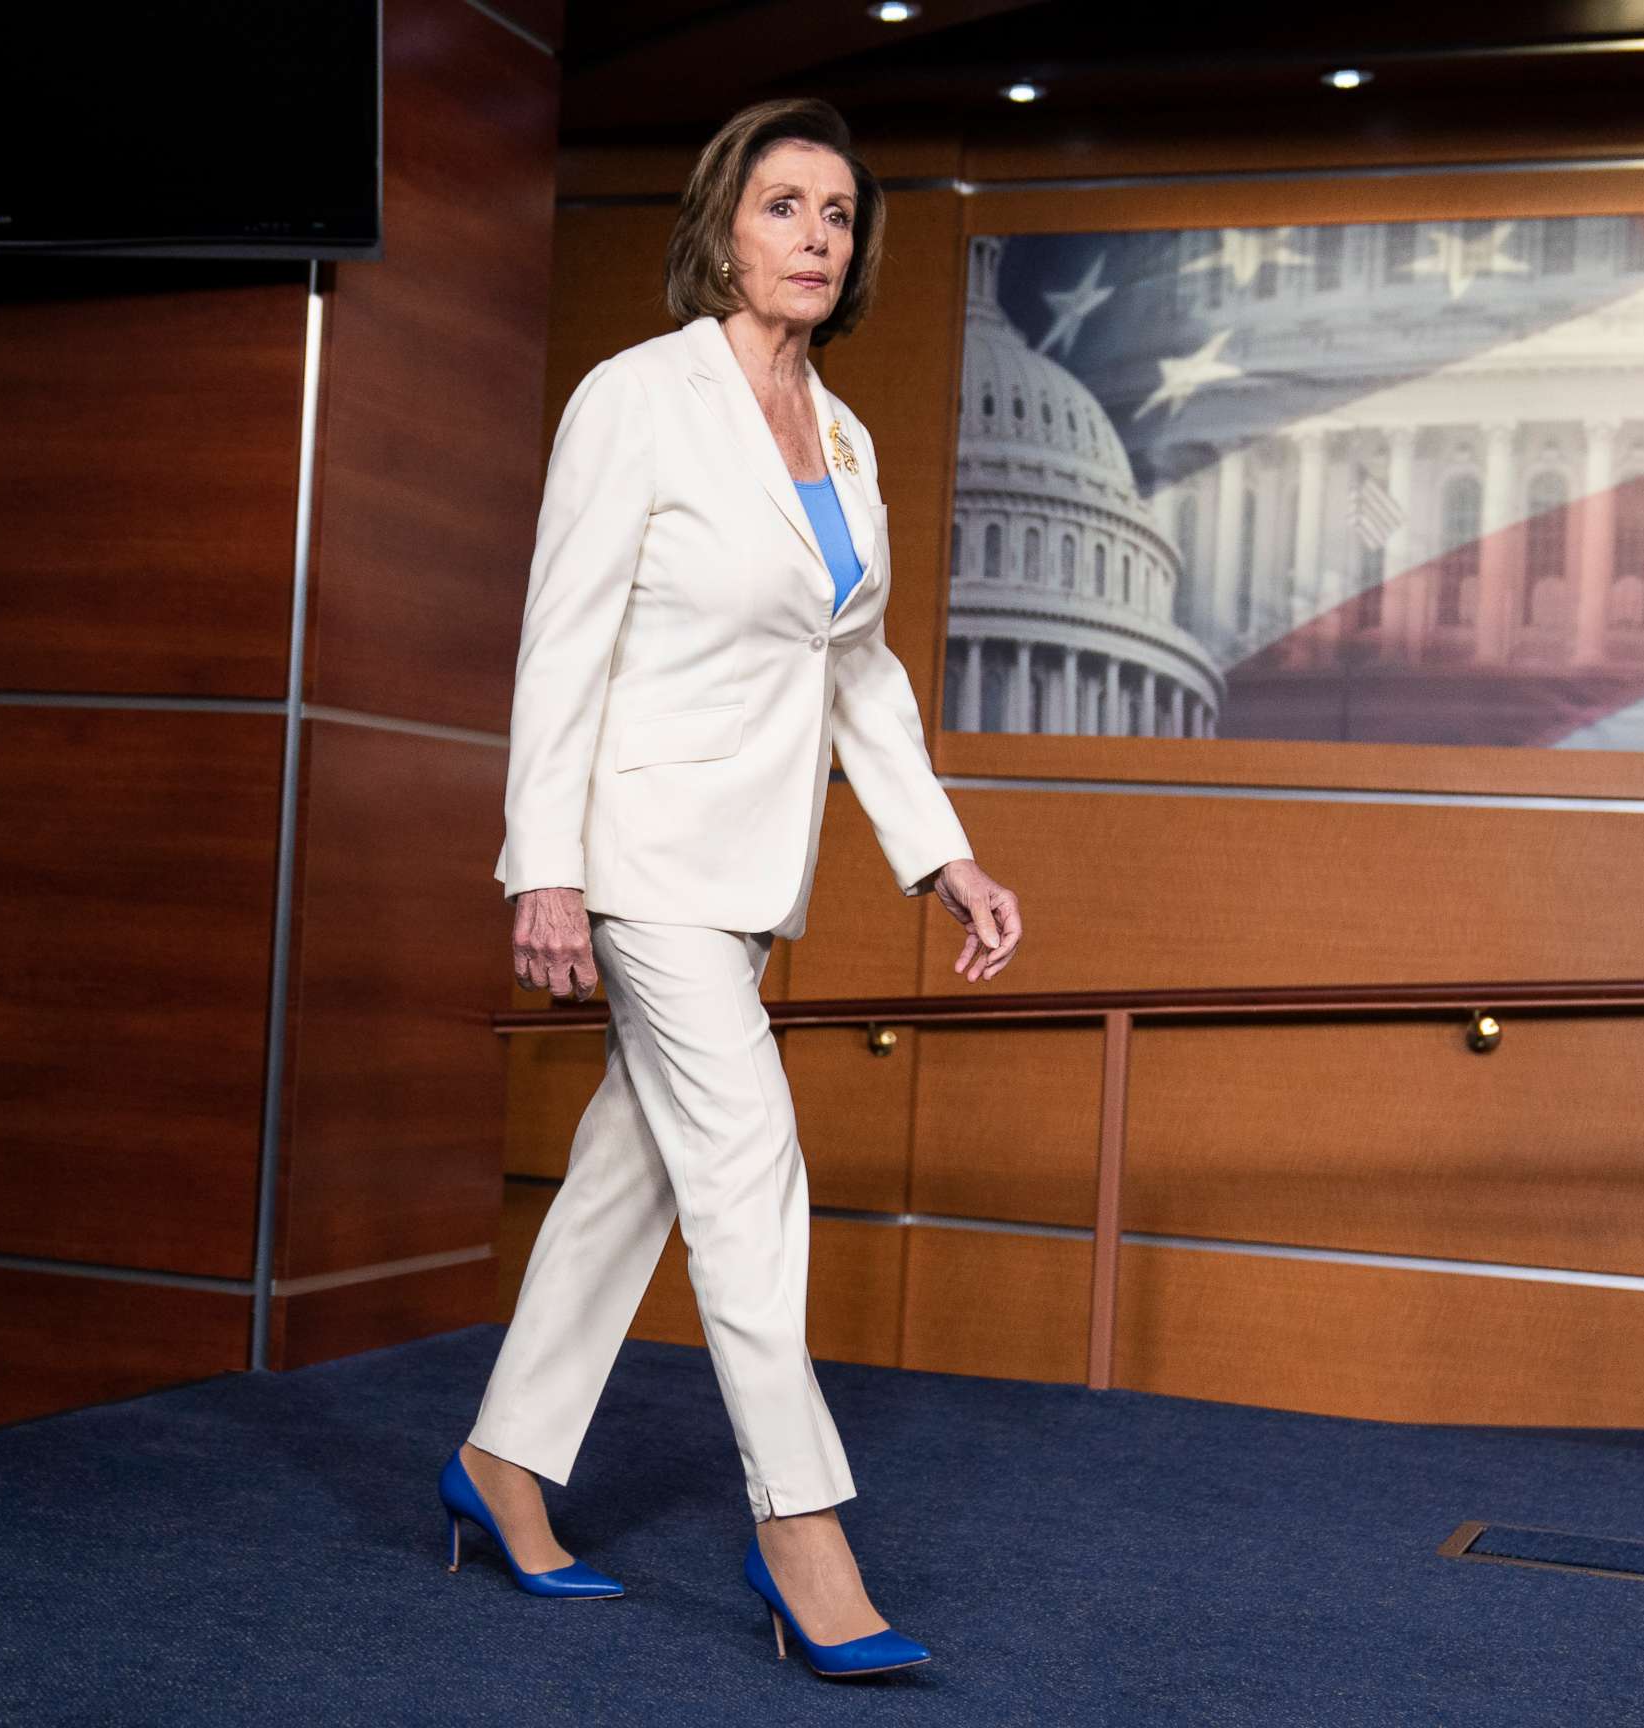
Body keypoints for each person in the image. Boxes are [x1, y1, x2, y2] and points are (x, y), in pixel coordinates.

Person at [443, 98, 1022, 1679]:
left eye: (839, 215)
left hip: (754, 872)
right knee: (751, 1160)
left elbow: (861, 672)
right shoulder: (635, 400)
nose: (817, 238)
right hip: (637, 858)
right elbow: (561, 642)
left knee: (634, 1173)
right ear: (723, 225)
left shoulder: (843, 436)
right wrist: (544, 869)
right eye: (786, 207)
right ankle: (803, 1532)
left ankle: (500, 1463)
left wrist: (941, 851)